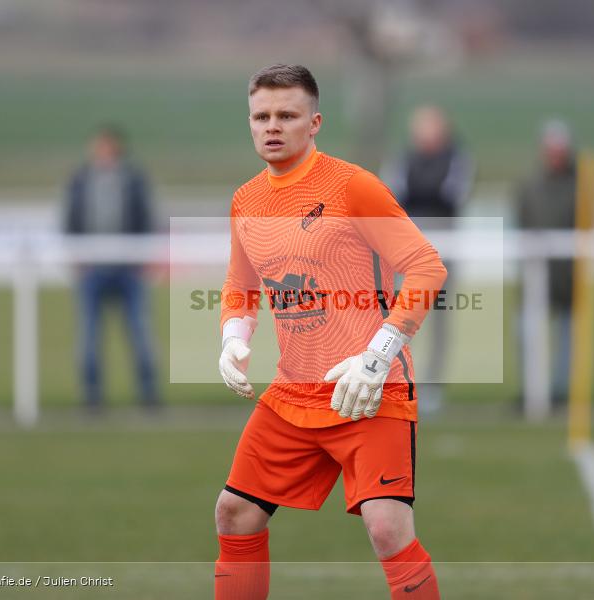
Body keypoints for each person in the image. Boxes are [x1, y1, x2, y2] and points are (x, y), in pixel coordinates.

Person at [214, 64, 446, 599]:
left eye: (287, 115)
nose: (273, 126)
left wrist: (377, 356)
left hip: (368, 390)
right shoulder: (246, 200)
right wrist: (233, 336)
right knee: (235, 512)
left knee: (387, 529)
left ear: (314, 122)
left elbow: (426, 267)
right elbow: (239, 285)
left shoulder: (352, 186)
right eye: (261, 116)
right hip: (294, 390)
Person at [381, 105, 474, 413]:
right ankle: (395, 380)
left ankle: (432, 386)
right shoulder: (404, 159)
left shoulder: (457, 158)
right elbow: (394, 194)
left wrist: (420, 194)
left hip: (444, 245)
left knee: (439, 320)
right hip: (408, 248)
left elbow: (449, 195)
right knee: (399, 316)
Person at [63, 125, 159, 412]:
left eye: (108, 146)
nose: (103, 152)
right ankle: (92, 397)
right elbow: (70, 219)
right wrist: (76, 257)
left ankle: (149, 395)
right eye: (99, 146)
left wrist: (142, 257)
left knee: (140, 333)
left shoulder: (134, 179)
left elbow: (146, 218)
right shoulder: (80, 180)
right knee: (89, 336)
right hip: (92, 269)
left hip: (128, 269)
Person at [516, 119, 577, 410]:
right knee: (527, 332)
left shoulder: (580, 185)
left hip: (568, 277)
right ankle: (532, 391)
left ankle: (560, 392)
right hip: (536, 275)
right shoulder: (530, 187)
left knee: (567, 336)